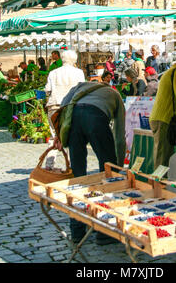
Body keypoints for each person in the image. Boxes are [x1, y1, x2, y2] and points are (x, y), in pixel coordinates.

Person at [54, 80, 126, 245]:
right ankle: (104, 232)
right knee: (107, 174)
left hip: (73, 121)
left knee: (77, 178)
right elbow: (119, 136)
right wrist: (118, 167)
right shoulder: (115, 95)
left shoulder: (79, 86)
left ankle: (77, 231)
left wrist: (59, 134)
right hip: (97, 119)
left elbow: (64, 106)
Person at [45, 50, 85, 168]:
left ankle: (49, 165)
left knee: (54, 136)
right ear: (74, 60)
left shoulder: (53, 72)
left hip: (54, 106)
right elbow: (82, 90)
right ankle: (72, 166)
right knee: (72, 136)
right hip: (71, 107)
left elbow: (47, 90)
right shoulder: (79, 73)